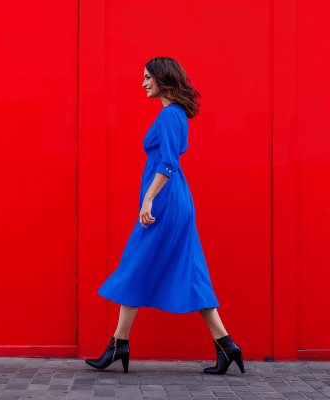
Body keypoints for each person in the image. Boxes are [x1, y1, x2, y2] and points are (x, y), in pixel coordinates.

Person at [85, 57, 245, 375]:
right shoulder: (173, 114)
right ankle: (226, 346)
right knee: (191, 271)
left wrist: (148, 198)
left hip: (165, 202)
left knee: (135, 264)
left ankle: (119, 344)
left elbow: (169, 162)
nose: (143, 83)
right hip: (175, 200)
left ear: (162, 79)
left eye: (147, 78)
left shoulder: (170, 115)